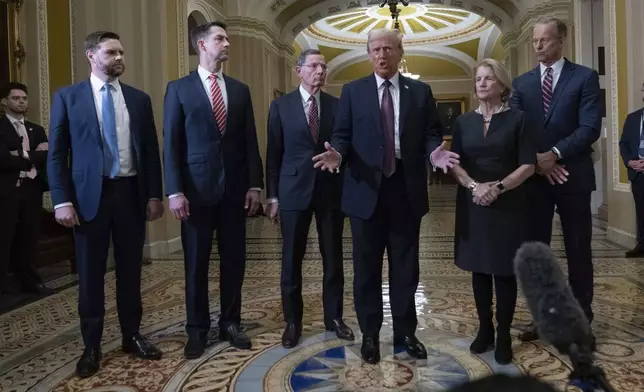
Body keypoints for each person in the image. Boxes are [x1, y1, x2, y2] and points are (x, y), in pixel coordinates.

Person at [312, 28, 459, 364]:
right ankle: (369, 335)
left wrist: (434, 152)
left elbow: (431, 133)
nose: (382, 55)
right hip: (365, 191)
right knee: (366, 270)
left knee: (406, 269)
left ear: (400, 52)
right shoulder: (353, 91)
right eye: (376, 49)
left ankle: (406, 333)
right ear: (368, 54)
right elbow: (342, 135)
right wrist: (338, 154)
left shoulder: (419, 91)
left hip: (405, 190)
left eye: (388, 49)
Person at [47, 31, 164, 377]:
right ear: (91, 55)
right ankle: (92, 345)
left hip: (129, 194)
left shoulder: (138, 99)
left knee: (131, 271)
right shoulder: (68, 98)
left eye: (121, 52)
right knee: (91, 275)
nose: (119, 57)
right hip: (87, 199)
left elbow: (150, 153)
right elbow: (56, 155)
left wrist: (154, 194)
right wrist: (61, 200)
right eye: (111, 52)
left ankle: (131, 335)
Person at [163, 21, 264, 359]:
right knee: (196, 264)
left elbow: (250, 140)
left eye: (227, 38)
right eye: (220, 38)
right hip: (195, 194)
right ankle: (197, 330)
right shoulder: (178, 89)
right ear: (202, 44)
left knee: (235, 261)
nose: (227, 43)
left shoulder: (239, 89)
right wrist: (174, 190)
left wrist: (255, 183)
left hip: (235, 192)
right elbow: (171, 145)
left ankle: (230, 323)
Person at [510, 17, 601, 347]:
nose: (537, 46)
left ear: (561, 41)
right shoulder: (521, 84)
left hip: (573, 175)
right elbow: (517, 128)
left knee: (578, 249)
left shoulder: (585, 78)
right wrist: (539, 160)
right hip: (534, 180)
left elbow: (589, 127)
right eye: (534, 41)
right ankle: (542, 318)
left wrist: (556, 154)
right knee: (537, 254)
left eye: (544, 40)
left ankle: (581, 322)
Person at [448, 59, 536, 364]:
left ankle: (502, 334)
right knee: (480, 269)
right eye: (478, 79)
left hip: (508, 204)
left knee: (504, 271)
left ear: (502, 84)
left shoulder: (519, 119)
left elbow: (527, 164)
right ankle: (484, 329)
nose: (481, 83)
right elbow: (455, 163)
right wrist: (475, 187)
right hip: (473, 204)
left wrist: (497, 187)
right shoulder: (463, 122)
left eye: (488, 78)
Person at [266, 49, 353, 348]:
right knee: (291, 259)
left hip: (330, 190)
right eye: (314, 66)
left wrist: (337, 154)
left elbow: (343, 140)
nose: (320, 71)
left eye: (323, 66)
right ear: (298, 70)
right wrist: (273, 196)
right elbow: (273, 155)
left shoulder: (337, 105)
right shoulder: (280, 106)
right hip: (292, 192)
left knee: (333, 258)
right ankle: (293, 322)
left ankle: (335, 318)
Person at [0, 82, 53, 296]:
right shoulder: (0, 128)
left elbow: (47, 156)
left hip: (31, 190)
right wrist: (32, 156)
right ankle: (3, 286)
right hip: (7, 192)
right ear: (4, 102)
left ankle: (30, 282)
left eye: (23, 98)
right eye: (15, 98)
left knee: (29, 237)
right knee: (4, 238)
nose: (21, 101)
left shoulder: (36, 129)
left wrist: (20, 155)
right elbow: (3, 160)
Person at [619, 82, 644, 257]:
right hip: (637, 172)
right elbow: (624, 143)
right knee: (641, 210)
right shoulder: (633, 118)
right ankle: (642, 244)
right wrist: (629, 162)